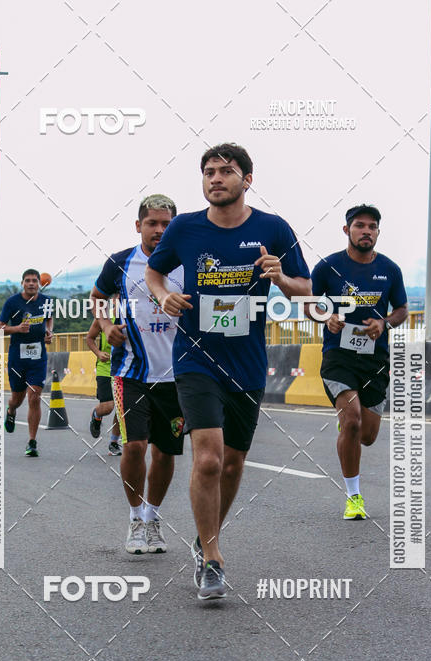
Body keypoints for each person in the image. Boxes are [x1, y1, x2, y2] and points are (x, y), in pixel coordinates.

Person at [146, 143, 311, 599]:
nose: (216, 178)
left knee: (234, 464)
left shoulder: (273, 229)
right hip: (195, 358)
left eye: (226, 171)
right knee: (209, 459)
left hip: (247, 362)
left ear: (247, 179)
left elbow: (305, 290)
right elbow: (155, 274)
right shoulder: (184, 227)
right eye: (209, 172)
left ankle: (205, 538)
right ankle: (213, 559)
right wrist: (163, 296)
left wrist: (280, 278)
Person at [92, 194, 184, 554]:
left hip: (176, 375)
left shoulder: (187, 261)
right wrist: (105, 326)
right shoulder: (120, 262)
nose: (159, 230)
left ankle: (152, 517)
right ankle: (134, 518)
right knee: (134, 445)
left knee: (164, 452)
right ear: (138, 226)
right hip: (130, 371)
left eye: (166, 224)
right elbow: (98, 296)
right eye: (152, 223)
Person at [306, 204, 408, 520]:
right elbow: (309, 303)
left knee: (367, 436)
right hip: (338, 356)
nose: (366, 231)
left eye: (372, 226)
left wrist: (384, 323)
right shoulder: (328, 267)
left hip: (374, 359)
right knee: (352, 421)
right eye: (360, 225)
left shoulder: (390, 269)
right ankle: (354, 497)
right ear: (346, 230)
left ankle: (350, 424)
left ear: (377, 232)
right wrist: (327, 317)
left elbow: (402, 309)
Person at [0, 269, 53, 457]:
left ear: (39, 283)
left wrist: (49, 331)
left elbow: (49, 319)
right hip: (17, 356)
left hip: (38, 356)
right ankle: (11, 410)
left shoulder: (46, 301)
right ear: (22, 283)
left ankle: (32, 441)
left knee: (34, 396)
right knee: (17, 398)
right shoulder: (12, 302)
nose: (31, 283)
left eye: (34, 281)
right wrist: (17, 328)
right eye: (28, 280)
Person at [85, 316, 121, 455]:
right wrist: (98, 353)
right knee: (108, 407)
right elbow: (90, 338)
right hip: (105, 367)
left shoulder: (133, 315)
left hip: (125, 367)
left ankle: (114, 442)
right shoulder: (104, 316)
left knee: (122, 408)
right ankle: (96, 415)